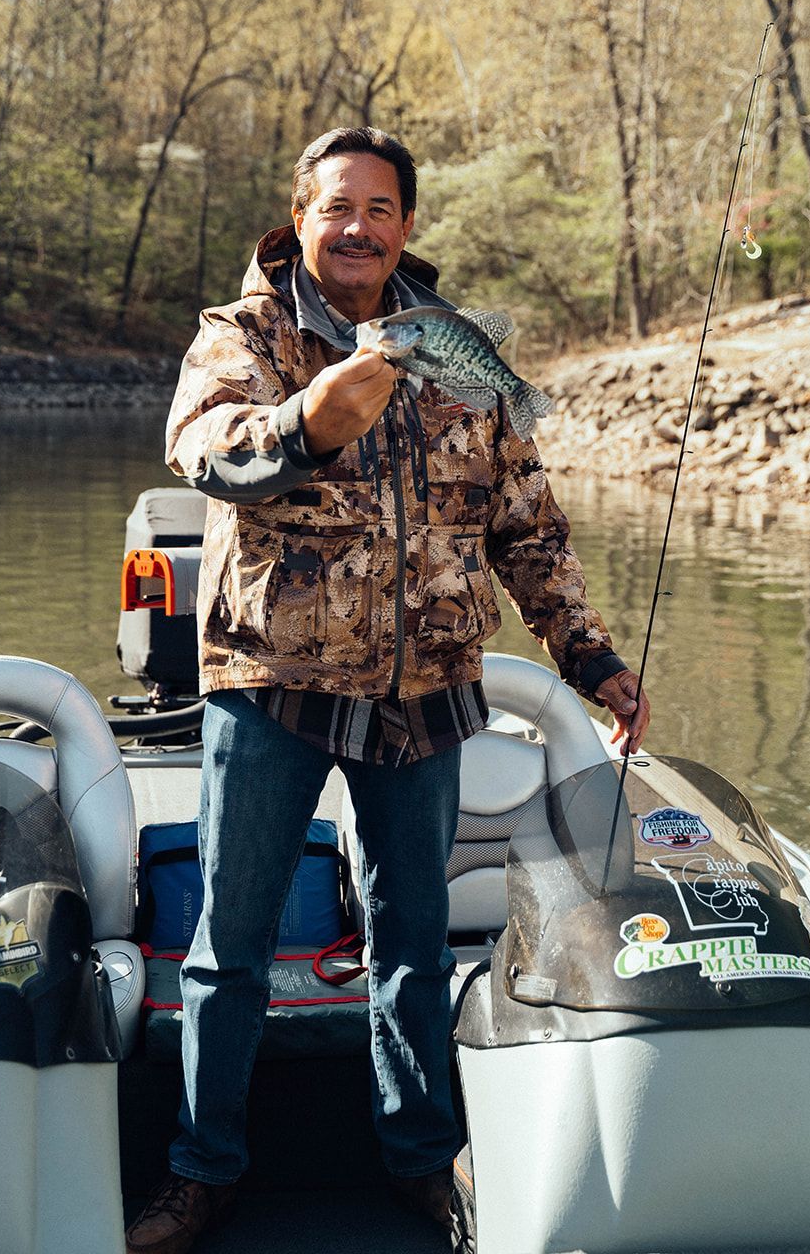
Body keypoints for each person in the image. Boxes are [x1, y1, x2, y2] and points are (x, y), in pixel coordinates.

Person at [126, 126, 651, 1254]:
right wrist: (313, 417)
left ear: (404, 224)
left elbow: (529, 530)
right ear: (300, 217)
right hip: (273, 685)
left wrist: (589, 655)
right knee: (230, 943)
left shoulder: (453, 349)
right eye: (335, 207)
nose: (356, 226)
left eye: (378, 208)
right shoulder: (245, 333)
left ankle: (419, 1158)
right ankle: (200, 1170)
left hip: (427, 691)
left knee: (414, 938)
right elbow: (203, 447)